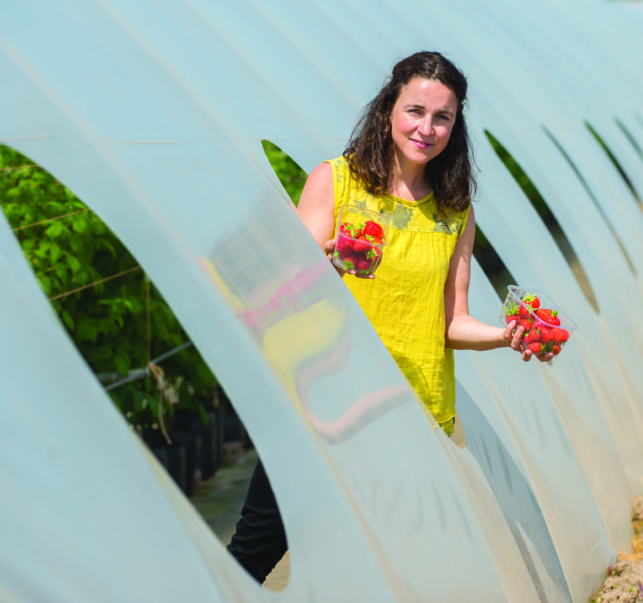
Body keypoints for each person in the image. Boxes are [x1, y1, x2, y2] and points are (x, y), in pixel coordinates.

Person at [226, 51, 551, 584]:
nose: (427, 127)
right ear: (388, 110)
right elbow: (284, 289)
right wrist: (321, 266)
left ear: (456, 124)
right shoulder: (337, 182)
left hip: (411, 409)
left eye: (442, 116)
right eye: (415, 110)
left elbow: (451, 321)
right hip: (327, 406)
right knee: (256, 550)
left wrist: (506, 336)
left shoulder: (455, 210)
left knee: (401, 564)